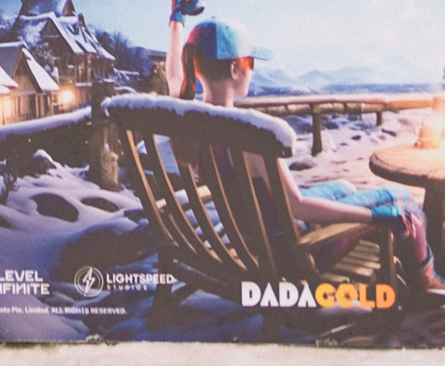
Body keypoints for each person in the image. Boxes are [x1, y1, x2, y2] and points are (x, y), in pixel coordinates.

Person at [172, 16, 431, 284]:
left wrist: (176, 19)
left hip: (253, 241)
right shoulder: (250, 135)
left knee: (345, 187)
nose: (253, 71)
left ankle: (399, 254)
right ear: (235, 69)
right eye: (251, 63)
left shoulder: (190, 123)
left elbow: (174, 77)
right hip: (294, 253)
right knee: (402, 200)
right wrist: (374, 217)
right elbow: (297, 206)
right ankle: (427, 280)